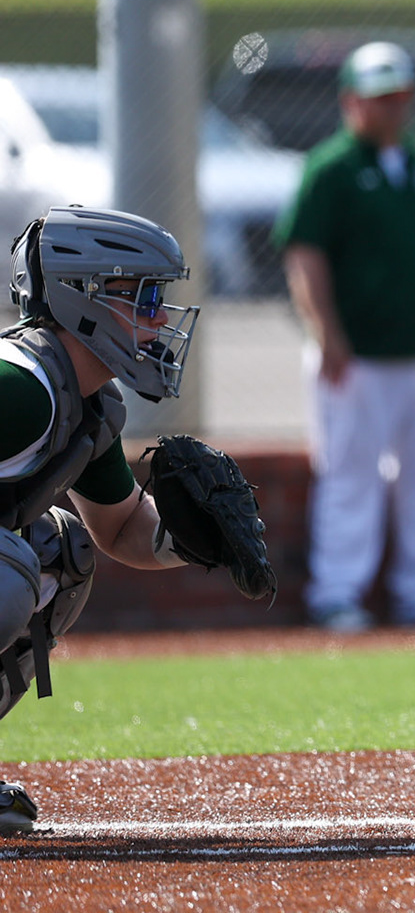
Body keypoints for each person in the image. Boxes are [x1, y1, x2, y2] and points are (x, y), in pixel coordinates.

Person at [2, 207, 213, 834]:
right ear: (83, 298)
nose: (158, 319)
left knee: (61, 557)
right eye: (144, 297)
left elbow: (121, 530)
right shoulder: (23, 389)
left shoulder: (82, 403)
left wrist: (202, 535)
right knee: (10, 569)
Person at [276, 41, 415, 633]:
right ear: (351, 100)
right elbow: (306, 257)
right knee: (351, 475)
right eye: (378, 98)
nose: (391, 108)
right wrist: (328, 334)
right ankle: (336, 594)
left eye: (399, 96)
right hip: (359, 356)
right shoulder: (331, 168)